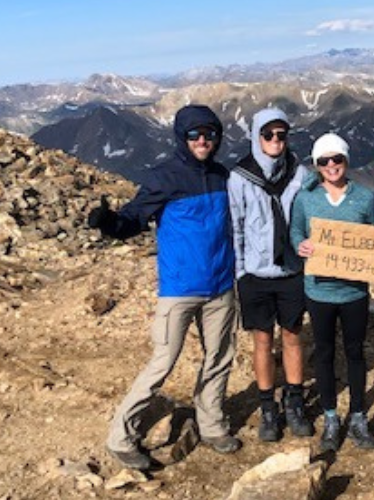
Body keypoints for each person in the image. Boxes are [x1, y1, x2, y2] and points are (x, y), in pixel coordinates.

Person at [88, 104, 240, 469]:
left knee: (219, 359)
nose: (203, 140)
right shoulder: (164, 178)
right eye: (194, 135)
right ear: (181, 137)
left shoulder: (224, 176)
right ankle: (121, 437)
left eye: (210, 134)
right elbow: (133, 219)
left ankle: (213, 425)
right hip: (180, 288)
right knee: (163, 362)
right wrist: (109, 223)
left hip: (221, 285)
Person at [290, 133, 374, 452]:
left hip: (354, 293)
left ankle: (357, 416)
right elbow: (296, 230)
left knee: (356, 354)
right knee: (324, 354)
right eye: (323, 161)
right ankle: (330, 416)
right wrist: (300, 245)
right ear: (316, 165)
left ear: (346, 161)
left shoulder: (365, 198)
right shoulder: (306, 198)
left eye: (336, 159)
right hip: (319, 291)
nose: (331, 166)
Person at [228, 107, 312, 442]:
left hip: (291, 269)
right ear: (256, 137)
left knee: (292, 337)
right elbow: (235, 227)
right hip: (256, 273)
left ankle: (294, 401)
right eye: (268, 134)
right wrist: (241, 272)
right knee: (262, 340)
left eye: (281, 135)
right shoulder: (239, 178)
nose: (275, 140)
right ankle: (267, 407)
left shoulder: (299, 173)